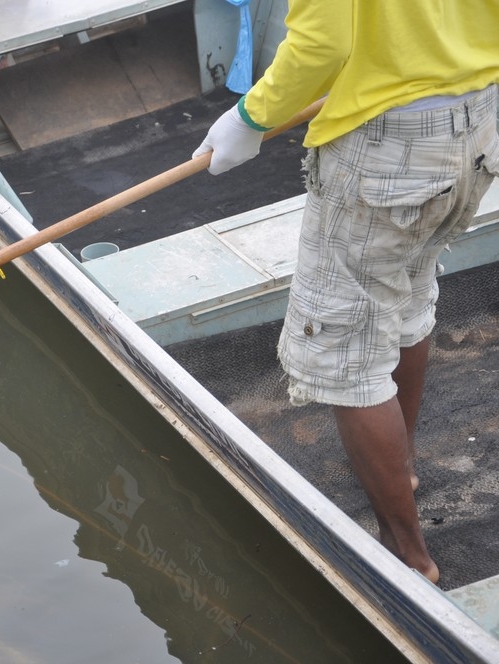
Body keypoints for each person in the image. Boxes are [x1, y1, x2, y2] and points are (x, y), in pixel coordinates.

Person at [192, 1, 499, 584]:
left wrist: (250, 119)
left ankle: (408, 558)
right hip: (479, 121)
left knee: (343, 359)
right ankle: (399, 468)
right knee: (406, 300)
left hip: (389, 148)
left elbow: (323, 44)